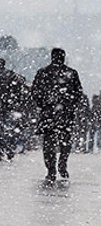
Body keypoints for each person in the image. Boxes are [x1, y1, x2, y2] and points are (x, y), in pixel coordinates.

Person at [30, 48, 84, 182]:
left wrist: (44, 104)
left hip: (50, 113)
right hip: (64, 113)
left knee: (50, 143)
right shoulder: (70, 73)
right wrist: (69, 104)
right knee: (63, 141)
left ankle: (52, 169)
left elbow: (35, 91)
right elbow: (78, 93)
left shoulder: (43, 73)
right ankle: (60, 164)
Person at [0, 58, 26, 161]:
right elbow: (22, 82)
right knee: (9, 131)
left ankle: (0, 153)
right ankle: (9, 151)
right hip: (9, 107)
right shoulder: (11, 74)